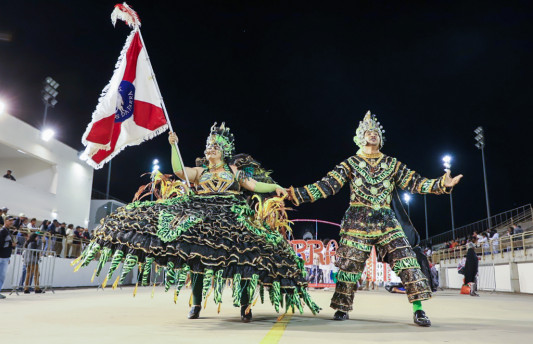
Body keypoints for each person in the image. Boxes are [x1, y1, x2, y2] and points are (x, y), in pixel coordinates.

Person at [73, 122, 319, 322]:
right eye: (208, 146)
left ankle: (245, 306)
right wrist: (173, 146)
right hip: (200, 214)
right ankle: (197, 304)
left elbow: (254, 186)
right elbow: (179, 171)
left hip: (231, 216)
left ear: (224, 151)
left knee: (245, 258)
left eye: (215, 147)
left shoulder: (234, 172)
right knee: (198, 259)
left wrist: (275, 187)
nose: (210, 150)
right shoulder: (200, 172)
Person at [287, 111, 463, 327]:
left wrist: (441, 184)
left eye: (376, 133)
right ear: (360, 137)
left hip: (386, 220)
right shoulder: (350, 163)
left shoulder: (392, 163)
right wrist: (295, 194)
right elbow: (326, 186)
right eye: (368, 132)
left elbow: (415, 182)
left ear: (381, 138)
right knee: (349, 266)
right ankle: (342, 307)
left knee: (407, 260)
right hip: (357, 221)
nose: (373, 135)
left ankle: (418, 310)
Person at [0, 216, 16, 299]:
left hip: (5, 257)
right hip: (1, 256)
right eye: (10, 221)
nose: (11, 222)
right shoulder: (2, 231)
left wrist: (11, 246)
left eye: (12, 221)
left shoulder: (8, 231)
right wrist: (11, 244)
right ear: (5, 221)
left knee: (2, 276)